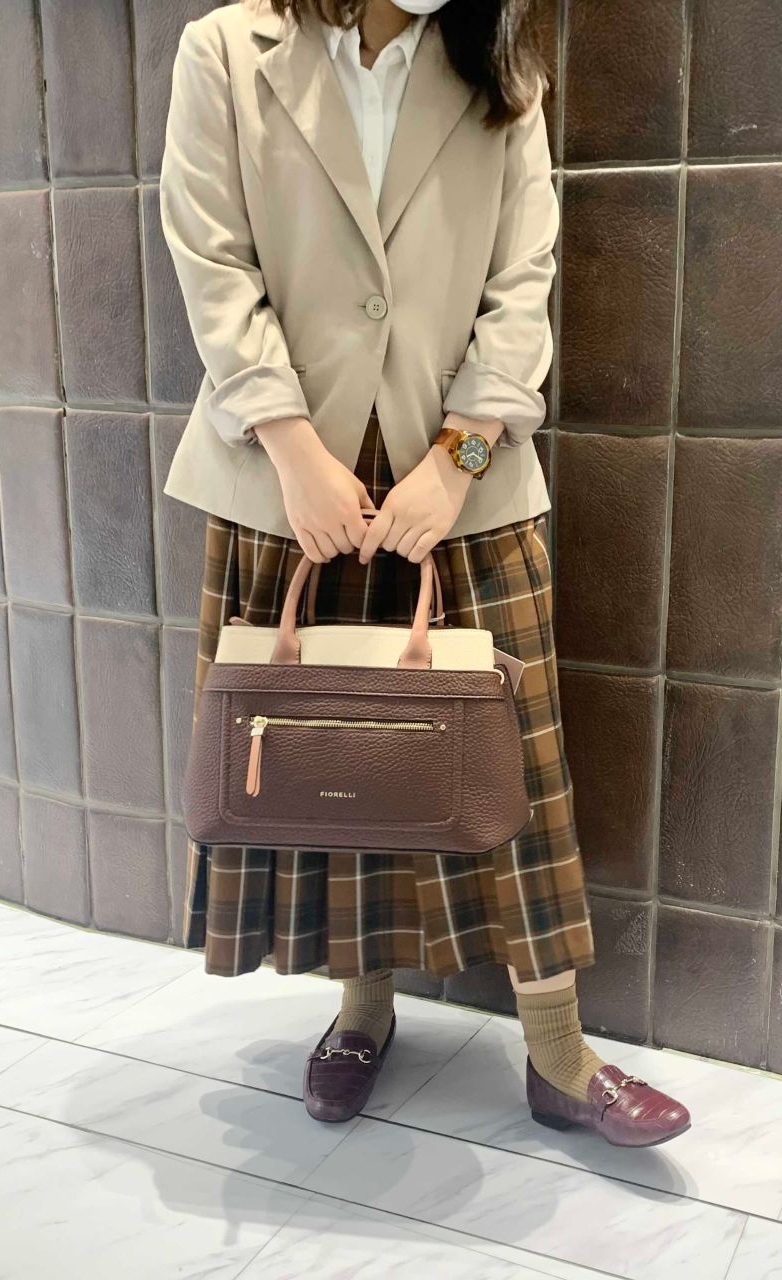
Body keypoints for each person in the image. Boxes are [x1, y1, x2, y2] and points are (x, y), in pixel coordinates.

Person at [159, 0, 690, 1147]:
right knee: (335, 768)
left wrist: (458, 463)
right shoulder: (227, 50)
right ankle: (361, 1011)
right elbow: (213, 262)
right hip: (285, 481)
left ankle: (559, 1052)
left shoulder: (502, 75)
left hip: (462, 481)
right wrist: (294, 455)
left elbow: (520, 283)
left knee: (517, 778)